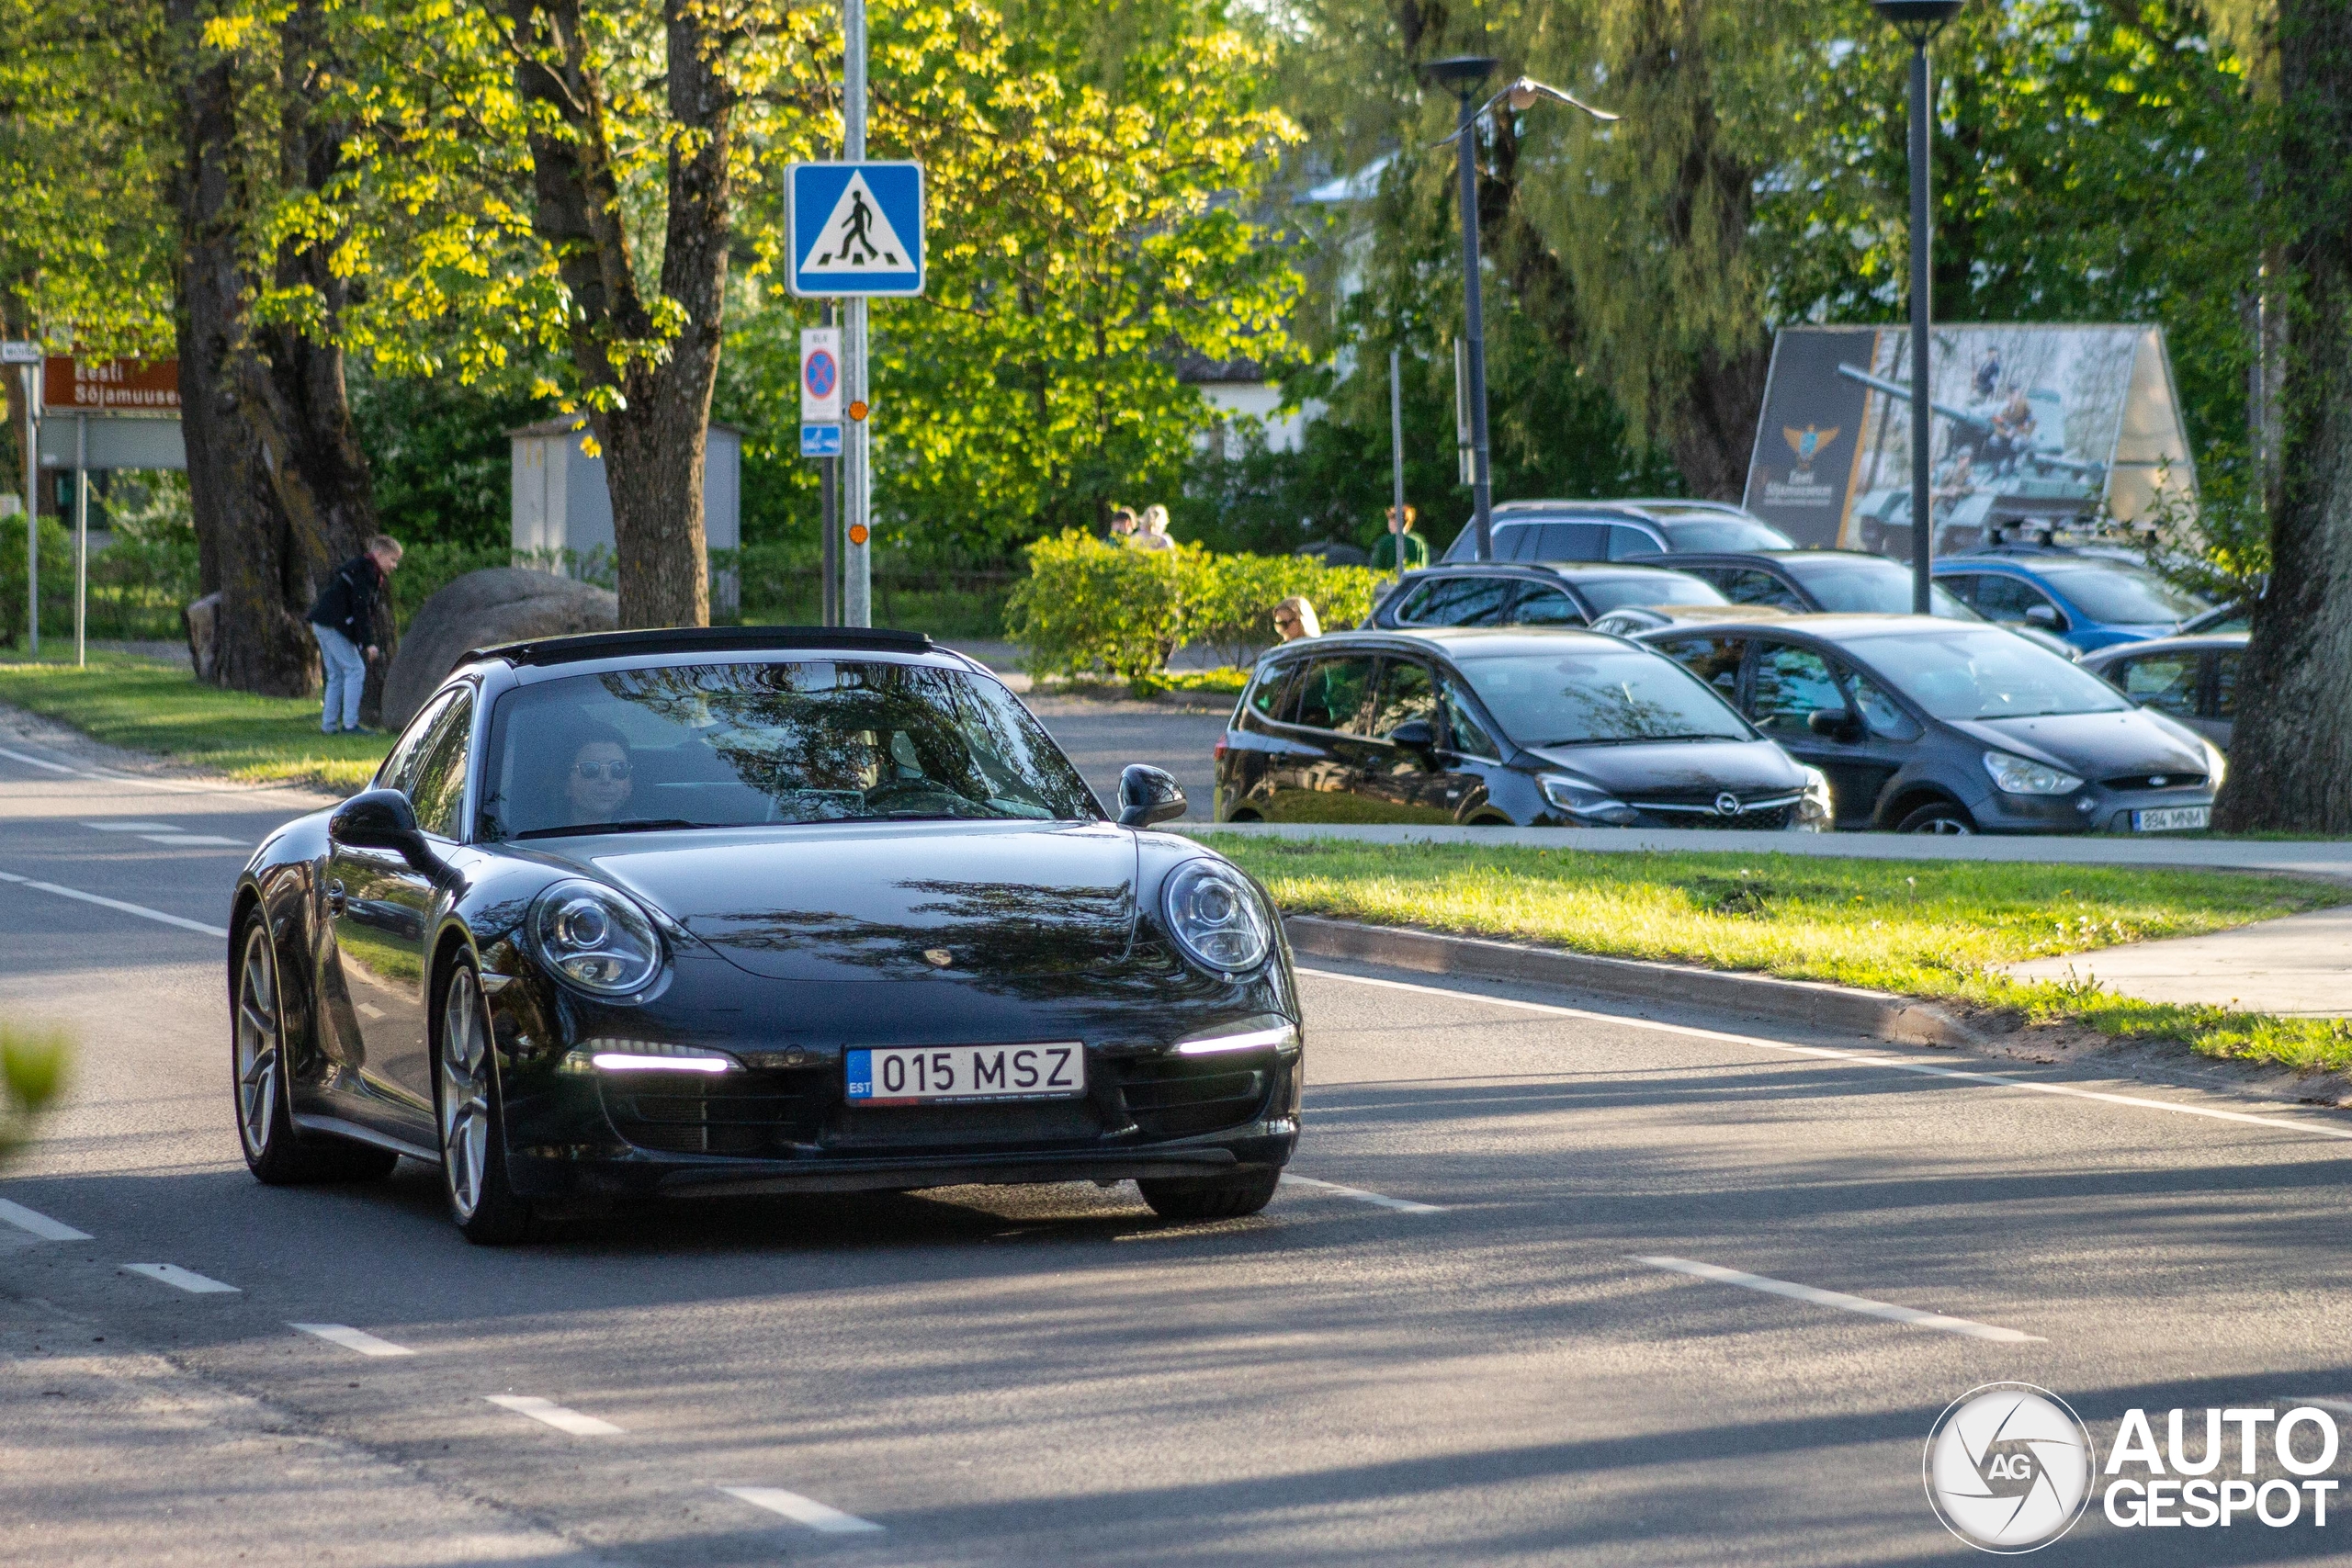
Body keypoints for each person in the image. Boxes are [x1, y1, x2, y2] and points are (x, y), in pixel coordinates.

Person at [306, 535, 402, 735]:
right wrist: (368, 643)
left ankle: (329, 725)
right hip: (331, 624)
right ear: (378, 554)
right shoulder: (366, 572)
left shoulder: (363, 569)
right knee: (355, 669)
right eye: (392, 560)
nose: (394, 565)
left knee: (336, 674)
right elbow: (361, 608)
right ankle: (350, 725)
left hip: (322, 622)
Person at [563, 724, 635, 826]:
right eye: (590, 769)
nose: (606, 779)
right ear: (566, 783)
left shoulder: (650, 838)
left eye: (618, 769)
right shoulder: (535, 836)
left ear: (630, 785)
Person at [1368, 504, 1428, 572]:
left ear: (1394, 521)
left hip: (1390, 581)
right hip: (1415, 582)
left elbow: (1376, 569)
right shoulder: (1419, 541)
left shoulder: (1385, 541)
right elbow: (1424, 568)